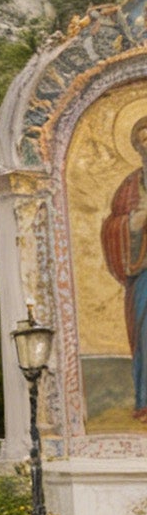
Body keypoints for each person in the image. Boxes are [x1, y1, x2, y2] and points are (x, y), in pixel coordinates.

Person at [101, 115, 147, 418]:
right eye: (143, 140)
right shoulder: (130, 186)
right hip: (144, 273)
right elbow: (111, 228)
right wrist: (134, 222)